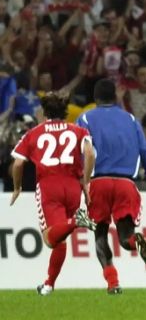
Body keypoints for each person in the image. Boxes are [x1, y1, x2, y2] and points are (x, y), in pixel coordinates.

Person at [9, 92, 96, 295]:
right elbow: (90, 153)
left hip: (49, 186)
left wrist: (17, 187)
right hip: (73, 185)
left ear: (45, 111)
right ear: (65, 110)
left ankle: (77, 221)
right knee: (61, 238)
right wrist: (86, 181)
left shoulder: (34, 133)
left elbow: (19, 163)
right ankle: (49, 284)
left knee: (50, 239)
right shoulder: (79, 130)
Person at [77, 78, 146, 294]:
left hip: (98, 183)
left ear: (95, 98)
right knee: (124, 237)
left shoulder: (85, 117)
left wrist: (79, 178)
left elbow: (80, 151)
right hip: (126, 183)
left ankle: (113, 283)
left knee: (100, 235)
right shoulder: (131, 119)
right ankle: (136, 240)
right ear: (114, 97)